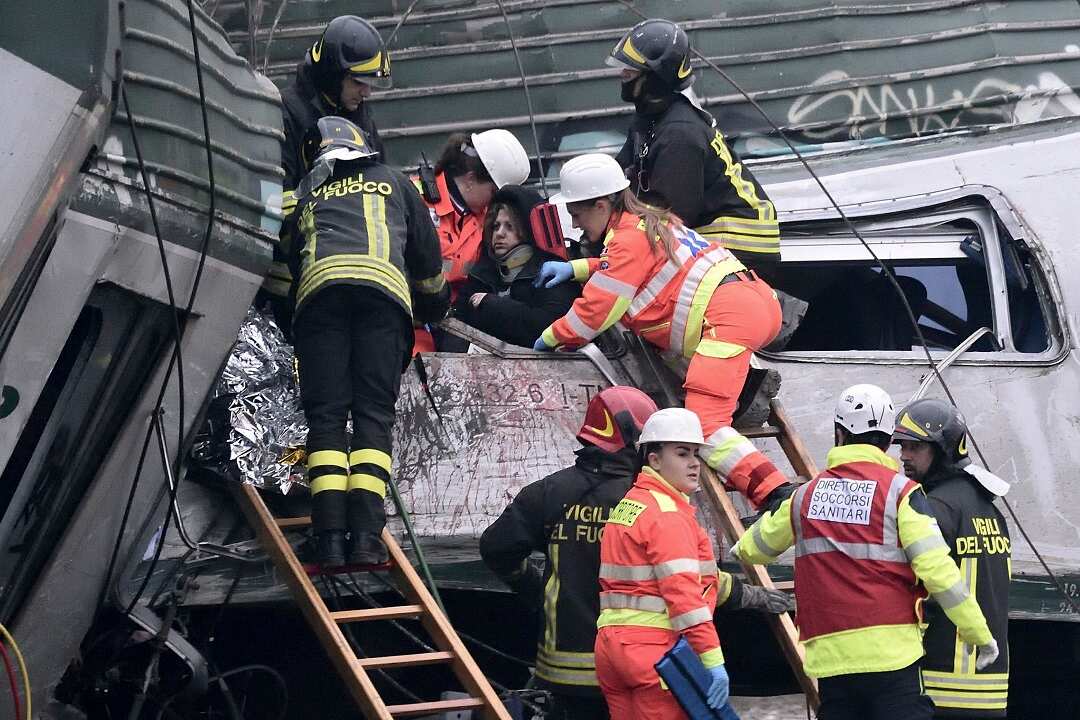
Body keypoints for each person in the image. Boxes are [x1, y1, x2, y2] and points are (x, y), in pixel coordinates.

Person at [479, 389, 792, 720]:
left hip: (569, 665)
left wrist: (534, 590)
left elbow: (497, 548)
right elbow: (685, 582)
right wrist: (748, 596)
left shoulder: (549, 493)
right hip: (649, 661)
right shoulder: (652, 500)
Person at [534, 153, 793, 511]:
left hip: (726, 318)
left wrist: (549, 339)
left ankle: (775, 493)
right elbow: (630, 266)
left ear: (600, 204)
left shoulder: (627, 240)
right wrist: (580, 267)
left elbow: (593, 314)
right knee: (713, 408)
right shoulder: (650, 222)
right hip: (755, 301)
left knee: (703, 424)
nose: (577, 226)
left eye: (577, 214)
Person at [733, 384, 998, 720]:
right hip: (892, 658)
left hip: (831, 662)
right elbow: (939, 572)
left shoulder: (804, 497)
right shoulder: (902, 494)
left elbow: (753, 551)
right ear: (888, 442)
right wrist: (977, 632)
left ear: (838, 434)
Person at [284, 117, 449, 567]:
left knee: (327, 419)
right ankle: (367, 539)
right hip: (383, 305)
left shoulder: (306, 195)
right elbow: (428, 262)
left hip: (319, 304)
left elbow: (290, 265)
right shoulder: (396, 183)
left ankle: (330, 539)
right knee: (374, 415)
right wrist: (435, 308)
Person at [607, 19, 780, 269]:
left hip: (739, 246)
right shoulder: (650, 120)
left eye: (631, 71)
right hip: (713, 239)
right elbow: (618, 175)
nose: (622, 75)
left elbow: (670, 217)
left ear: (656, 77)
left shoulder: (680, 133)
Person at [595, 407, 731, 719]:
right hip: (655, 651)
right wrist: (712, 660)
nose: (695, 463)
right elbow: (684, 598)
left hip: (611, 648)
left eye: (696, 454)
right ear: (654, 460)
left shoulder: (630, 506)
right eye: (682, 454)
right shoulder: (668, 515)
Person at [264, 15, 392, 334]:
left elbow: (381, 180)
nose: (367, 93)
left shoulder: (358, 115)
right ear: (333, 76)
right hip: (287, 291)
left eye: (370, 82)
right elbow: (274, 201)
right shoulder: (285, 113)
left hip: (348, 284)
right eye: (358, 82)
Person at [893, 398, 1011, 718]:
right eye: (901, 445)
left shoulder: (934, 507)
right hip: (990, 687)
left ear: (943, 449)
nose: (903, 455)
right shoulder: (988, 508)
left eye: (914, 447)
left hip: (943, 684)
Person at [453, 185, 580, 348]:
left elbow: (549, 326)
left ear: (528, 231)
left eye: (509, 227)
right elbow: (455, 326)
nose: (499, 233)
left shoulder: (553, 273)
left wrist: (493, 305)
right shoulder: (481, 274)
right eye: (495, 226)